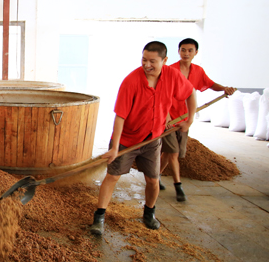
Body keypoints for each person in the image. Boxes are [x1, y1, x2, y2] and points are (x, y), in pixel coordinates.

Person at [90, 41, 196, 235]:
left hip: (153, 140)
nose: (147, 65)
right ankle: (99, 217)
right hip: (128, 139)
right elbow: (120, 116)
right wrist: (115, 148)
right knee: (113, 176)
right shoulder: (131, 81)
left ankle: (149, 213)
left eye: (152, 61)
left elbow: (190, 93)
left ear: (164, 60)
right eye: (144, 59)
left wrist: (189, 121)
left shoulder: (173, 76)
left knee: (153, 180)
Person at [159, 38, 236, 201]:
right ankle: (178, 186)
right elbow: (162, 96)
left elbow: (210, 84)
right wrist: (166, 117)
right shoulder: (169, 70)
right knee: (173, 152)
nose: (186, 53)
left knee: (170, 152)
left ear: (196, 52)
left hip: (185, 118)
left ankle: (155, 177)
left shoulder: (198, 71)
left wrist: (225, 89)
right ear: (178, 51)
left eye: (190, 50)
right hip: (168, 118)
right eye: (183, 50)